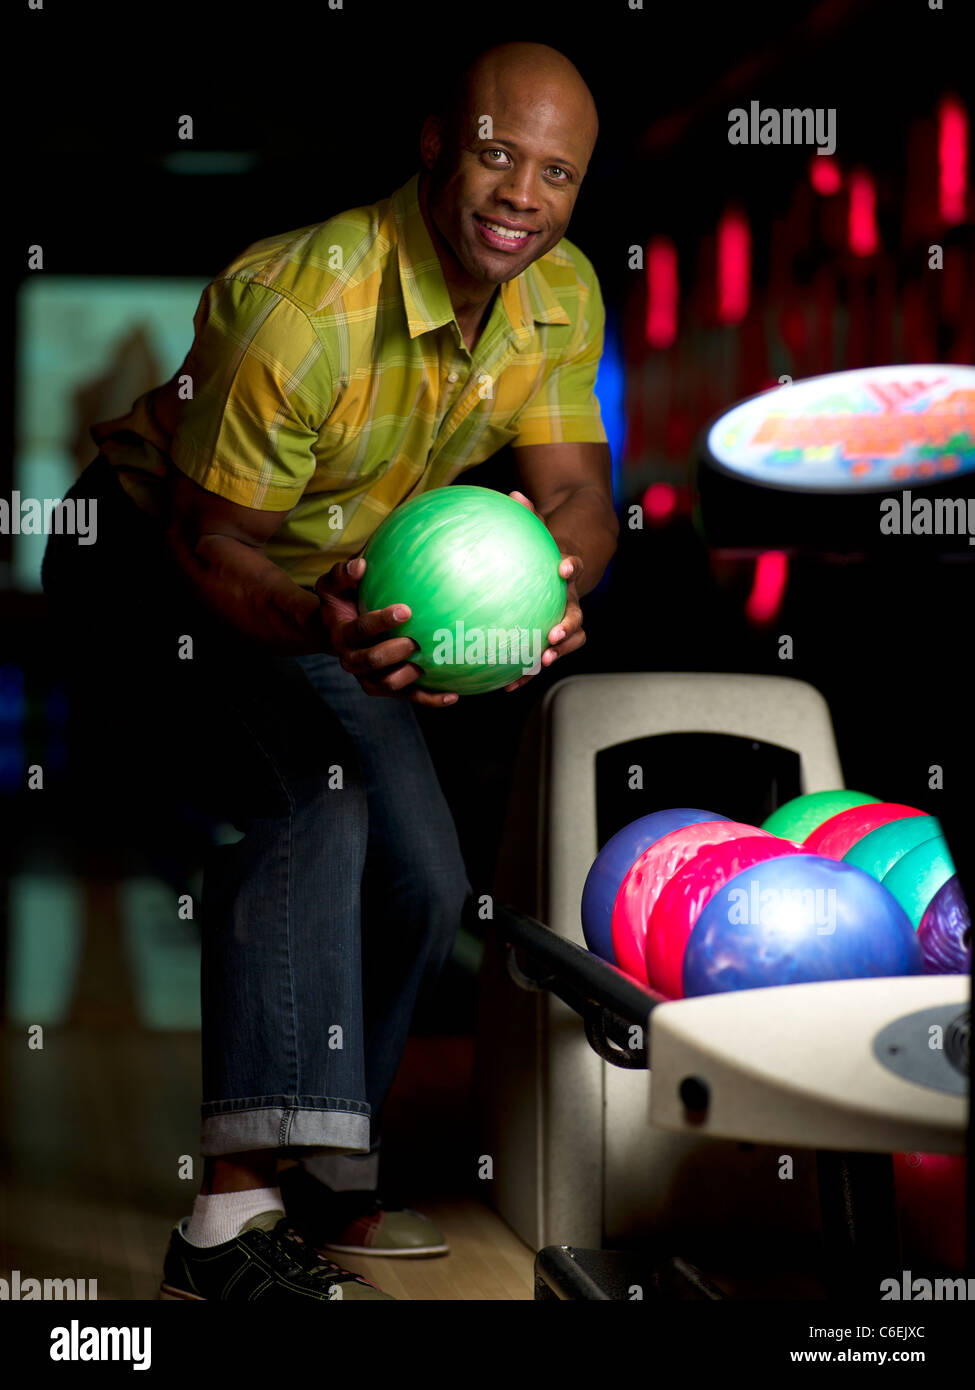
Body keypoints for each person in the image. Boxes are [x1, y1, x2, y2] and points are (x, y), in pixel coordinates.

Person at [41, 40, 618, 1302]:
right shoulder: (300, 305)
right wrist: (326, 625)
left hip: (336, 580)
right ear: (435, 143)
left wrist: (552, 595)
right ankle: (224, 1230)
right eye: (496, 152)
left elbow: (576, 493)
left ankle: (327, 1176)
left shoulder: (563, 296)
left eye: (558, 171)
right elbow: (213, 543)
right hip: (154, 563)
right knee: (313, 798)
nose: (524, 192)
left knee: (425, 873)